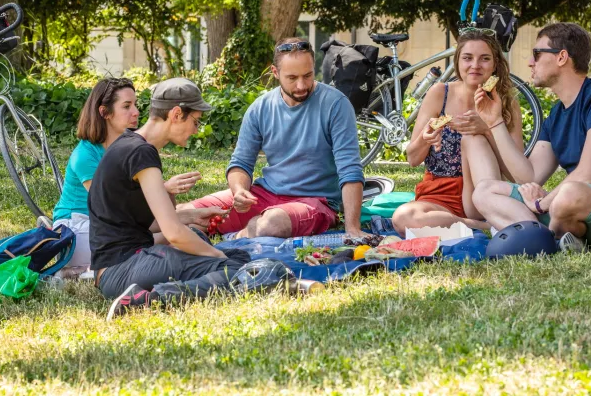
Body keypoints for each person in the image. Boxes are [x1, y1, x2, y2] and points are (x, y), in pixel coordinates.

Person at [469, 22, 591, 247]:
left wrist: (541, 204)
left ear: (561, 57)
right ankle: (546, 240)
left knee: (570, 193)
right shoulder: (557, 114)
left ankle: (546, 236)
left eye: (537, 54)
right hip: (572, 210)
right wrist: (494, 122)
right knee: (485, 191)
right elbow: (529, 176)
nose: (530, 62)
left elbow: (588, 174)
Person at [89, 78, 250, 320]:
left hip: (117, 267)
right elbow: (173, 233)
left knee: (225, 251)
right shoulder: (140, 152)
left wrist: (190, 216)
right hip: (122, 270)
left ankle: (164, 290)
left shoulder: (130, 144)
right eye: (195, 121)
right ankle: (155, 299)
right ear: (176, 114)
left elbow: (140, 222)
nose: (196, 130)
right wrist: (218, 257)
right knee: (234, 267)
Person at [181, 38, 367, 238]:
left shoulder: (336, 104)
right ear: (275, 72)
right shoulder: (260, 108)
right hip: (264, 195)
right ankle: (224, 232)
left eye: (308, 75)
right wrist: (239, 191)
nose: (301, 85)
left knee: (270, 225)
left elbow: (350, 169)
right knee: (183, 213)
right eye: (292, 77)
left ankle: (234, 237)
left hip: (314, 202)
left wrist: (352, 228)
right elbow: (240, 163)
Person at [49, 77, 218, 276]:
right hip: (77, 228)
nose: (136, 112)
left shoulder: (129, 146)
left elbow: (136, 214)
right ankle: (77, 271)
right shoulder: (85, 156)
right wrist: (173, 207)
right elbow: (115, 209)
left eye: (135, 104)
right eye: (126, 106)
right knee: (158, 238)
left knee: (175, 232)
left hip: (110, 228)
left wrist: (181, 216)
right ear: (105, 113)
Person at [392, 29, 525, 235]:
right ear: (458, 62)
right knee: (403, 217)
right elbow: (412, 159)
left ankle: (476, 219)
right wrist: (425, 139)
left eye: (485, 59)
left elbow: (516, 174)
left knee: (474, 138)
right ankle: (480, 226)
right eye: (467, 58)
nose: (475, 65)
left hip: (482, 193)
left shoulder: (507, 103)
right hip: (439, 196)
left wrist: (488, 130)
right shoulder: (440, 93)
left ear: (495, 63)